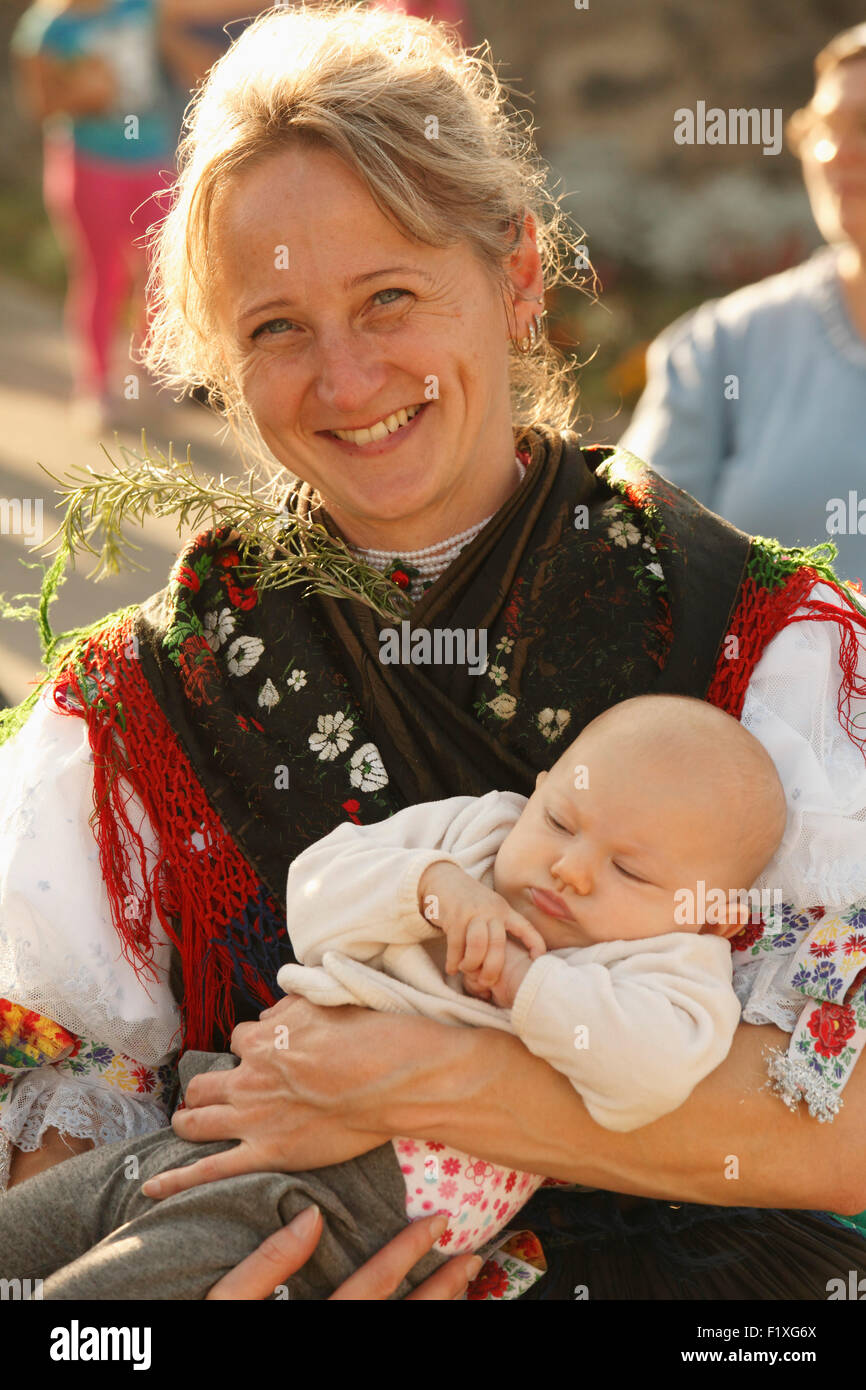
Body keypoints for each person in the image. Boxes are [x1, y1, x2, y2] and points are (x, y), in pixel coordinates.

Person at [1, 2, 866, 1301]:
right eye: (275, 327)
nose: (345, 378)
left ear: (515, 273)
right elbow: (53, 1162)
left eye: (388, 297)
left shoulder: (761, 648)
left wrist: (461, 1081)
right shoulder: (134, 712)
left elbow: (845, 1122)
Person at [0, 693, 786, 1298]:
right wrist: (430, 888)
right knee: (34, 1232)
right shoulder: (478, 836)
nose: (571, 868)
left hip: (360, 1196)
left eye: (631, 872)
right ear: (541, 787)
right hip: (229, 1119)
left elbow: (645, 1078)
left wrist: (529, 983)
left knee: (125, 1292)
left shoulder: (672, 963)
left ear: (712, 912)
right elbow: (313, 895)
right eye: (562, 819)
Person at [620, 23, 866, 584]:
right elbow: (632, 565)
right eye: (822, 129)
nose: (835, 154)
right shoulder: (721, 348)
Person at [10, 0, 179, 435]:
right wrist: (81, 92)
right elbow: (40, 107)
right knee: (102, 275)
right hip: (88, 165)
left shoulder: (140, 7)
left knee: (162, 271)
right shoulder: (44, 31)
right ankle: (97, 387)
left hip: (152, 160)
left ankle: (148, 372)